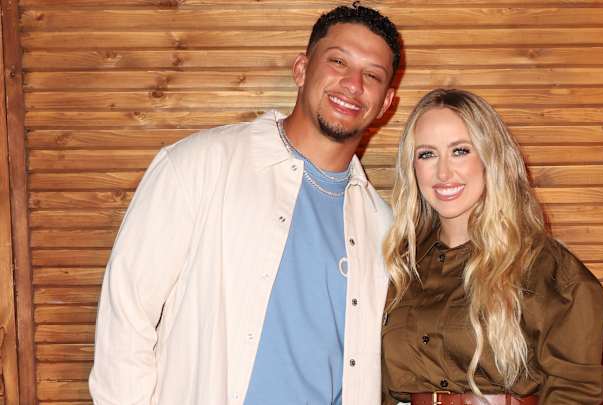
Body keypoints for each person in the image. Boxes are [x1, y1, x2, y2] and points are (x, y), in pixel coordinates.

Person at [89, 4, 401, 404]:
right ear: (302, 69)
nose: (353, 84)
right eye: (338, 61)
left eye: (372, 75)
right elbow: (126, 317)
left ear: (386, 102)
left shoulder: (382, 225)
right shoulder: (199, 165)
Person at [381, 89, 603, 405]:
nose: (443, 172)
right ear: (412, 166)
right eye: (427, 154)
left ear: (490, 158)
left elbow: (576, 393)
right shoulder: (401, 267)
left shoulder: (547, 269)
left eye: (460, 151)